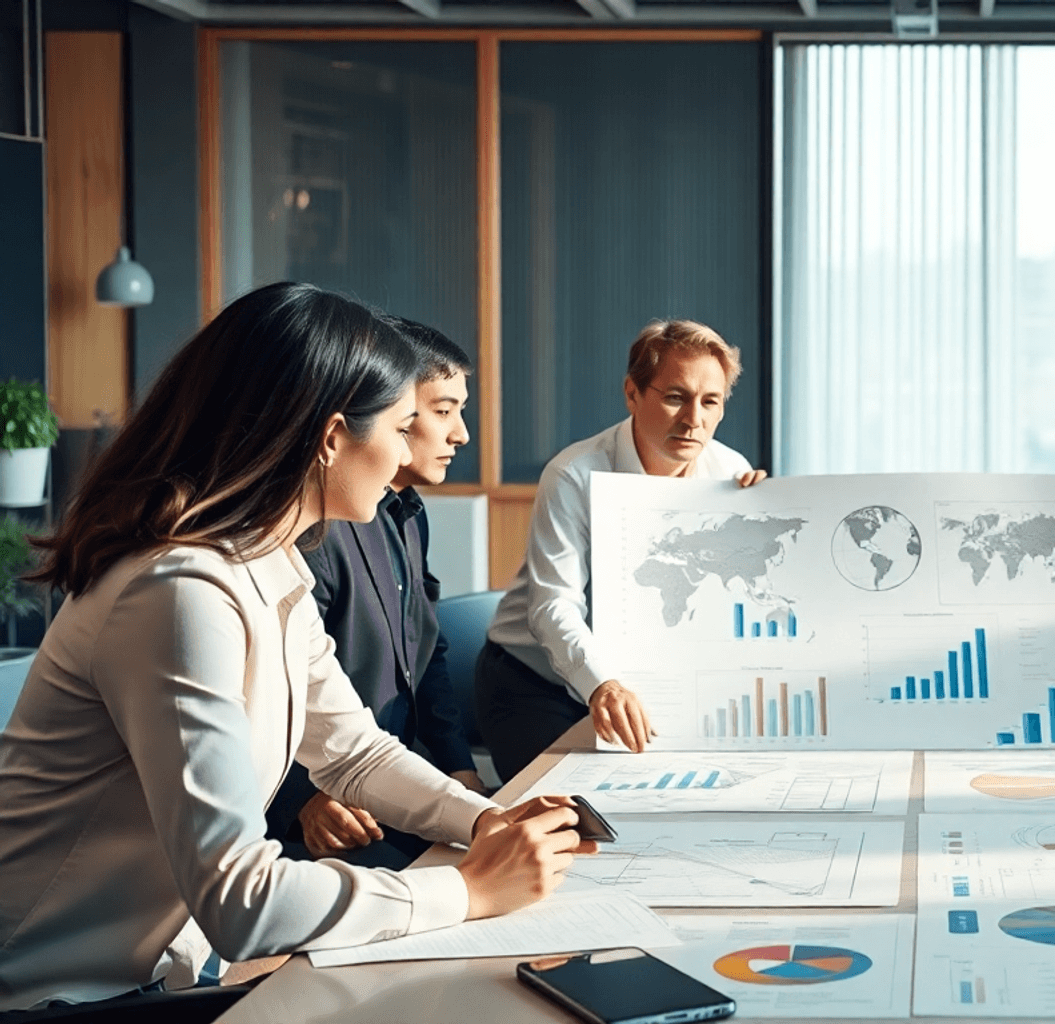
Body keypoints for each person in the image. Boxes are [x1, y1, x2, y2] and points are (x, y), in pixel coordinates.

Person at [0, 283, 592, 1012]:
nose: (411, 451)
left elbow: (353, 752)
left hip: (164, 973)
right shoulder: (179, 593)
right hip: (58, 997)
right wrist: (466, 889)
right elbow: (242, 900)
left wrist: (484, 822)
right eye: (404, 427)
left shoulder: (266, 564)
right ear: (333, 438)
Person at [476, 319, 766, 782]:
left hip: (648, 681)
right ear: (633, 393)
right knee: (577, 813)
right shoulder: (573, 474)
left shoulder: (730, 472)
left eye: (710, 402)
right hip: (535, 684)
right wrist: (603, 685)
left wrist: (758, 516)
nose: (694, 419)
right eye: (675, 397)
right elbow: (554, 608)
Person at [264, 316, 485, 870]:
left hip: (386, 778)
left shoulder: (405, 515)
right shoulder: (307, 534)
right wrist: (303, 800)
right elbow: (280, 702)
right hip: (327, 808)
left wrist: (461, 773)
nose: (460, 434)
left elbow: (425, 656)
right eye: (438, 411)